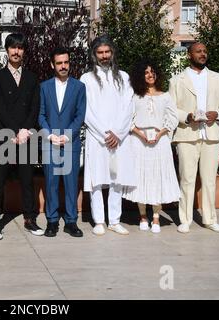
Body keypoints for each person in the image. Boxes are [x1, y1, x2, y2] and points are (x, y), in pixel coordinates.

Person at [169, 42, 219, 234]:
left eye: (205, 51)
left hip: (211, 135)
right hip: (187, 135)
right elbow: (171, 109)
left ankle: (210, 219)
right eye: (198, 51)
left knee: (209, 180)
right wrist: (186, 117)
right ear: (190, 55)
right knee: (187, 179)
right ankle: (185, 219)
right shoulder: (177, 80)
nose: (203, 54)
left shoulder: (218, 78)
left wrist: (218, 114)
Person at [0, 33, 43, 240]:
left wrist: (25, 130)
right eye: (13, 48)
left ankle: (30, 218)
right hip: (5, 136)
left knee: (27, 181)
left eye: (20, 48)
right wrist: (15, 131)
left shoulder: (31, 77)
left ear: (24, 51)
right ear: (7, 50)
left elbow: (34, 107)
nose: (16, 51)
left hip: (26, 137)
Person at [80, 35, 135, 236]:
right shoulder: (86, 79)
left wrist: (118, 134)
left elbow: (129, 107)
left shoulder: (124, 77)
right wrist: (105, 133)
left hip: (119, 139)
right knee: (97, 179)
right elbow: (86, 110)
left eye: (107, 52)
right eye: (100, 52)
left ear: (112, 53)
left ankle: (114, 220)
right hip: (97, 138)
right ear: (94, 55)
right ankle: (99, 221)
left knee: (116, 179)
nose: (104, 56)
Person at [122, 60, 180, 233]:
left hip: (160, 143)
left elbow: (173, 118)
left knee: (157, 178)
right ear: (141, 76)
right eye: (146, 72)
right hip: (139, 143)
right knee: (141, 178)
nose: (150, 75)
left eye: (153, 72)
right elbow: (128, 119)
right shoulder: (135, 96)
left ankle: (156, 216)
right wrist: (141, 134)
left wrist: (160, 133)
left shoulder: (165, 96)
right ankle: (143, 216)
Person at [39, 47, 86, 237]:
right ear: (53, 65)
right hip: (50, 143)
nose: (63, 66)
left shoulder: (79, 87)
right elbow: (41, 114)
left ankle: (71, 221)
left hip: (70, 142)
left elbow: (80, 115)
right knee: (50, 182)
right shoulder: (44, 87)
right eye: (59, 63)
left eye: (66, 62)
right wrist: (50, 136)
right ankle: (51, 221)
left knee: (71, 183)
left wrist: (67, 136)